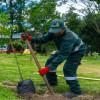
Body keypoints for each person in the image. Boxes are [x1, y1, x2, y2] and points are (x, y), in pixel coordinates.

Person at [21, 19, 86, 98]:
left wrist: (48, 69)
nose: (55, 32)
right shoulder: (53, 32)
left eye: (57, 31)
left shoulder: (69, 37)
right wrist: (31, 38)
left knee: (68, 69)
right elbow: (43, 39)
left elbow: (62, 55)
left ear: (63, 28)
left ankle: (76, 92)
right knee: (49, 62)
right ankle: (52, 83)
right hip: (63, 49)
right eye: (54, 30)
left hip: (77, 51)